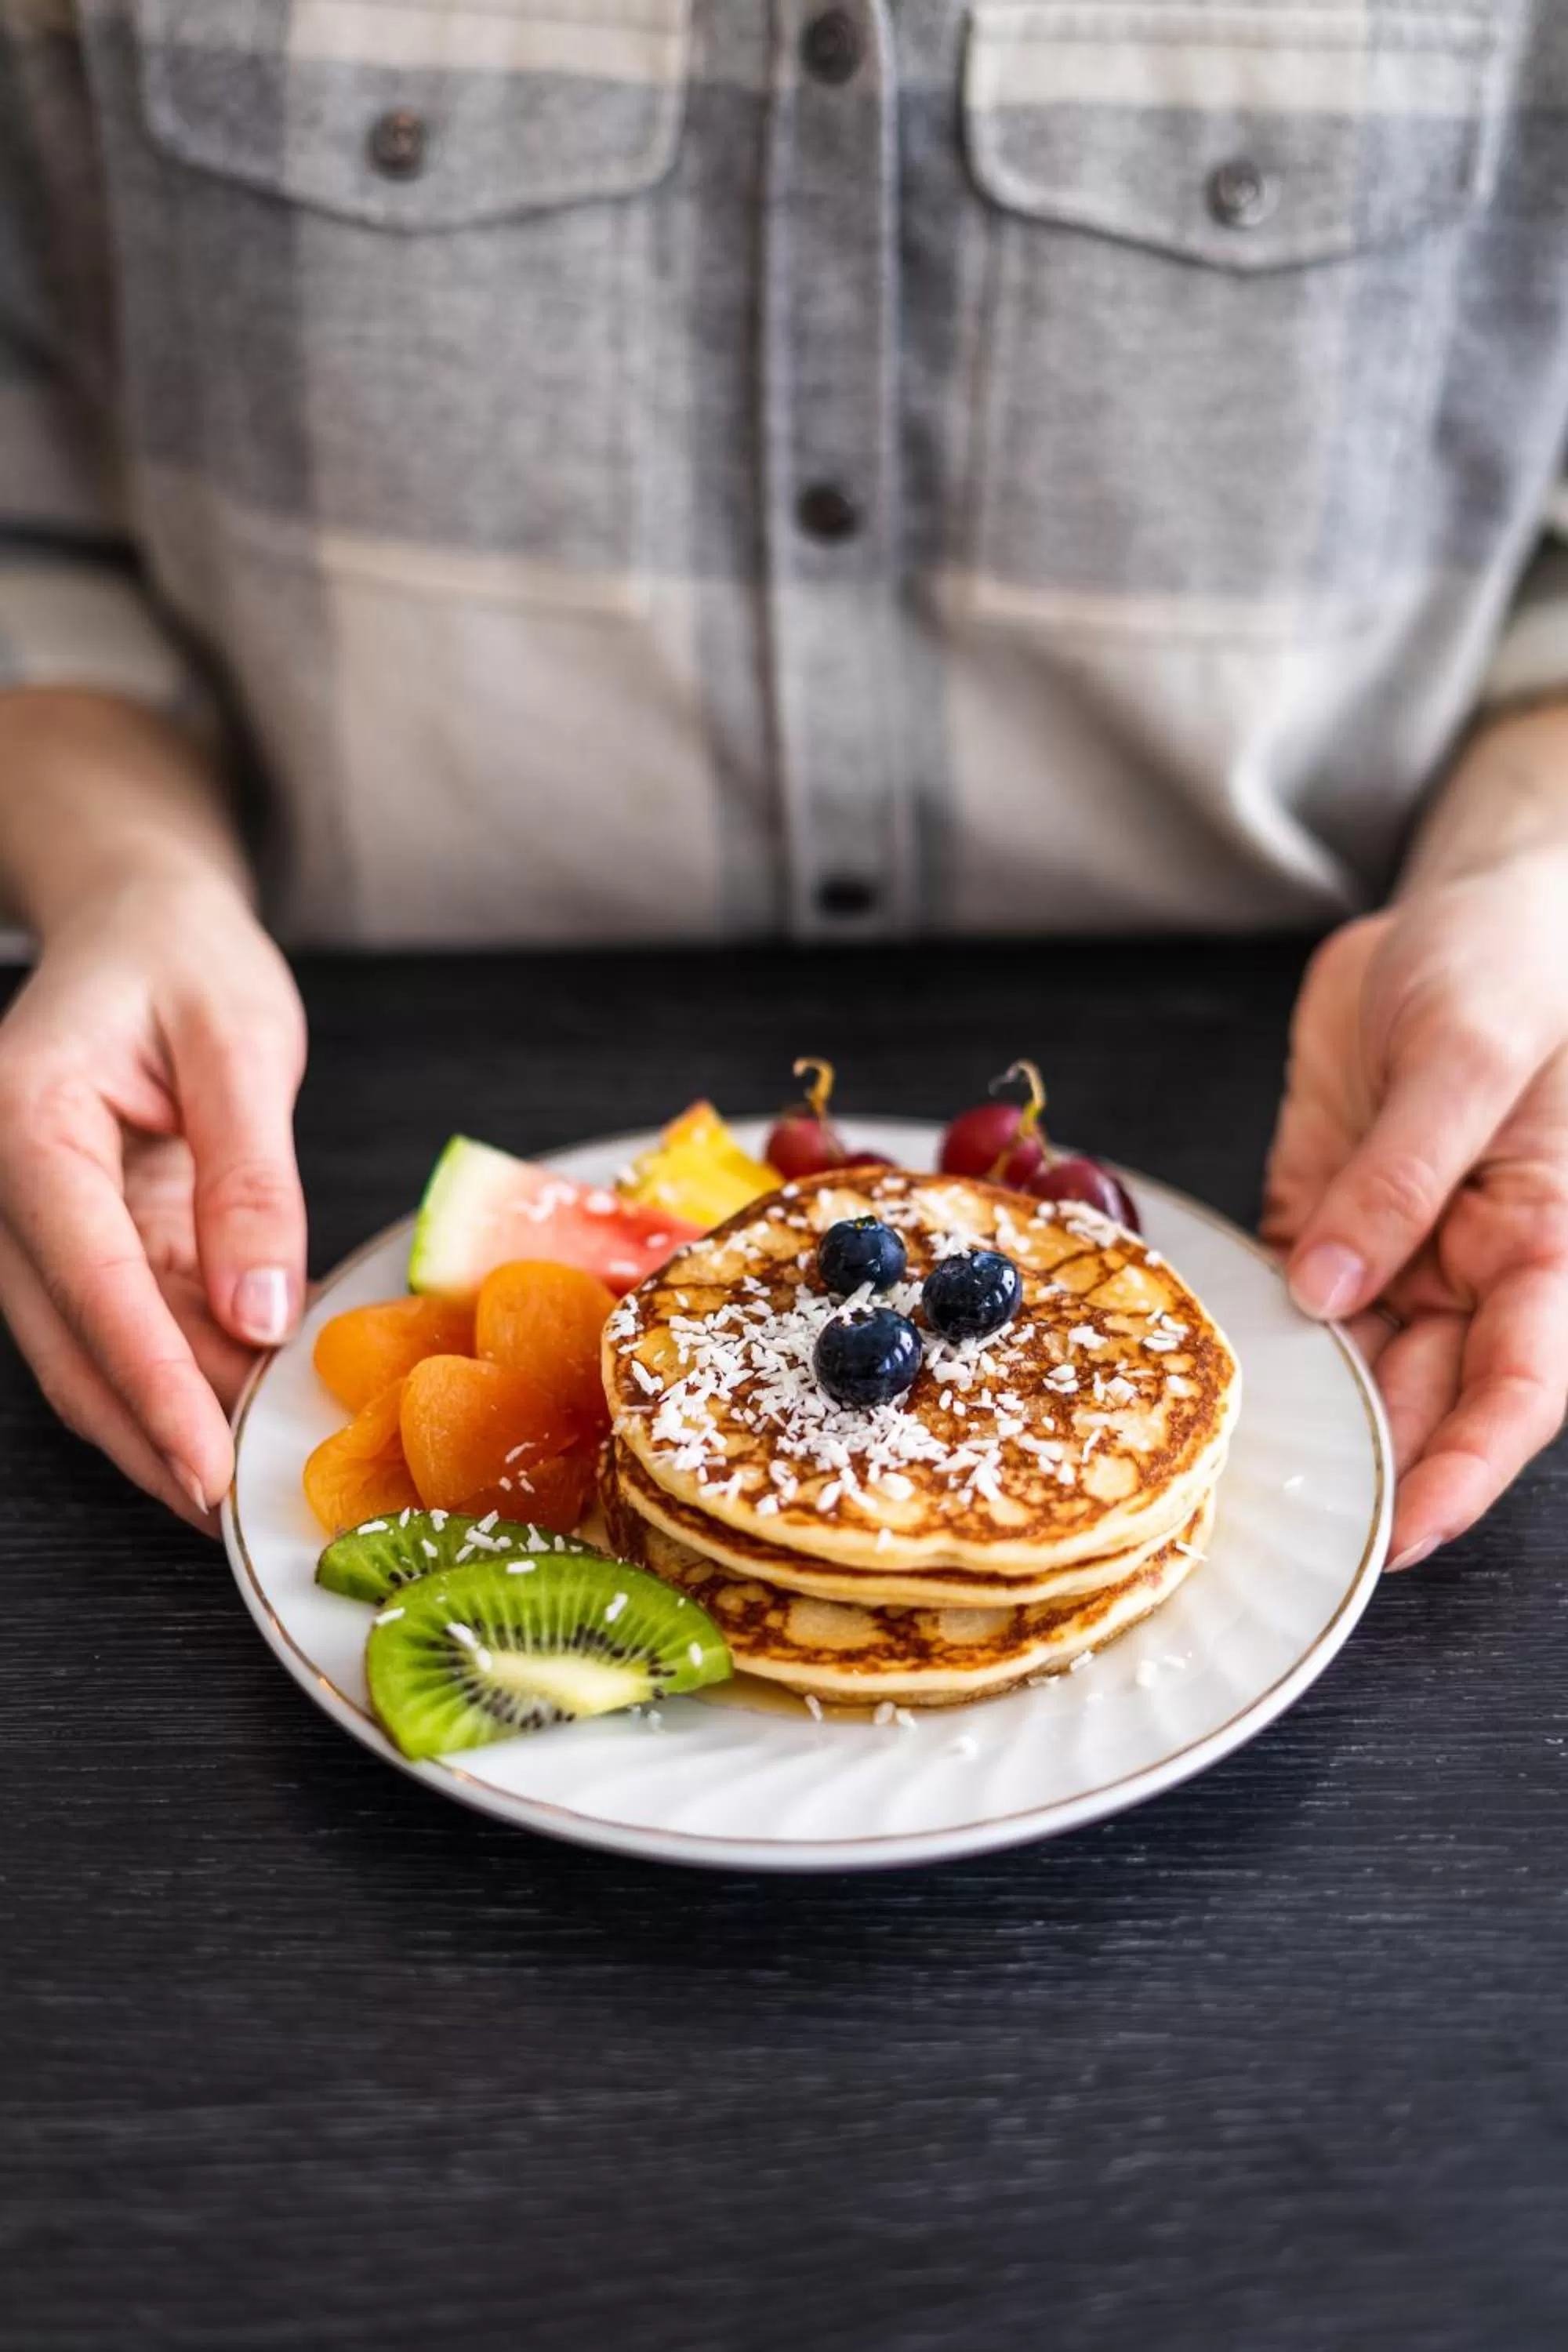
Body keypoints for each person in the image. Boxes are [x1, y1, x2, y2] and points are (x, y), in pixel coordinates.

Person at [1, 0, 1564, 1567]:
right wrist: (129, 883)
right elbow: (37, 550)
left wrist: (1528, 884)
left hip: (1315, 1117)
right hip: (318, 1099)